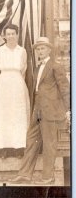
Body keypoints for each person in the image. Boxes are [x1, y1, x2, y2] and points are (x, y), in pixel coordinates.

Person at [12, 37, 70, 185]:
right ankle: (25, 174)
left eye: (43, 48)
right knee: (31, 140)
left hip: (50, 111)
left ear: (49, 50)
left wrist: (69, 109)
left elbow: (65, 88)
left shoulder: (55, 66)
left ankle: (48, 177)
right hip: (38, 111)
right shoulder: (38, 67)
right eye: (38, 48)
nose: (40, 51)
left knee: (49, 144)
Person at [0, 24, 30, 157]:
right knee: (3, 115)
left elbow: (23, 69)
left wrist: (17, 81)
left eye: (13, 33)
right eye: (8, 34)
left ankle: (18, 147)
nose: (10, 36)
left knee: (17, 115)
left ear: (17, 35)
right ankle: (3, 147)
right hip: (3, 85)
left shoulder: (22, 51)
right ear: (4, 36)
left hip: (17, 84)